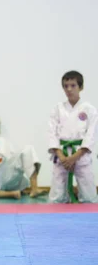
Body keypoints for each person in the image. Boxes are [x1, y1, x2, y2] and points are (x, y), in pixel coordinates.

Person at [48, 71, 98, 203]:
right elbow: (52, 134)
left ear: (81, 87)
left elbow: (91, 135)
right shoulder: (57, 109)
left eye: (73, 85)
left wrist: (74, 157)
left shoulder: (89, 110)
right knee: (57, 197)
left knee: (89, 196)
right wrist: (62, 157)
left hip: (81, 154)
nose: (69, 89)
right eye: (66, 86)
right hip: (62, 155)